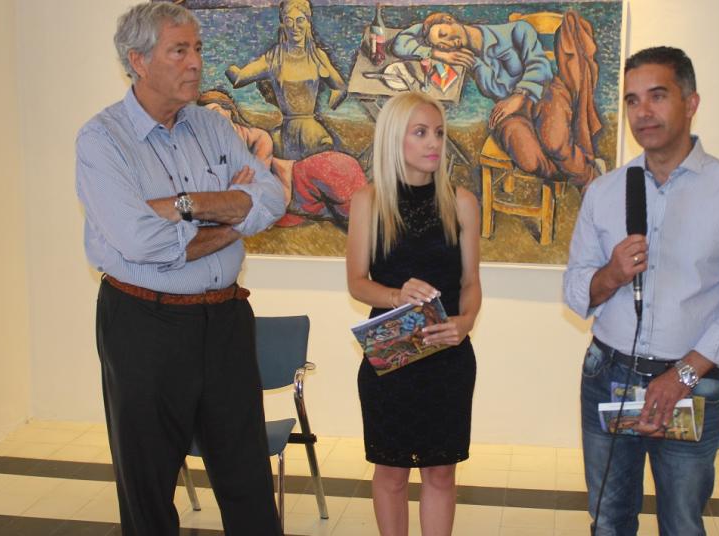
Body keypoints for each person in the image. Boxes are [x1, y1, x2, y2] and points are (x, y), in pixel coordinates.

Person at [75, 4, 286, 535]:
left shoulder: (211, 126)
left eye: (197, 49)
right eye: (180, 50)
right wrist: (232, 214)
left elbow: (271, 198)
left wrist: (182, 206)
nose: (195, 62)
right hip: (146, 324)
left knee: (249, 482)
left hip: (226, 321)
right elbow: (140, 242)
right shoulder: (102, 140)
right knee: (148, 486)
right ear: (138, 61)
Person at [562, 47, 719, 535]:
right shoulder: (605, 191)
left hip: (693, 384)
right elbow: (575, 287)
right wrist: (612, 274)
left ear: (691, 102)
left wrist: (682, 374)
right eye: (633, 100)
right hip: (608, 374)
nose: (643, 112)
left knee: (681, 523)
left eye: (657, 96)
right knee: (608, 521)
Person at [345, 91, 482, 536]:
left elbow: (471, 283)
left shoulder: (462, 202)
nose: (434, 143)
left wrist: (465, 323)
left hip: (448, 357)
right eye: (420, 132)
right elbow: (357, 283)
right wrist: (395, 295)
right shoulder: (368, 201)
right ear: (393, 138)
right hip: (391, 358)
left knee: (441, 473)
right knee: (391, 473)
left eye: (438, 133)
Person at [391, 10, 603, 187]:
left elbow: (540, 66)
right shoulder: (470, 60)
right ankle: (579, 168)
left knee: (555, 143)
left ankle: (589, 180)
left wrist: (519, 96)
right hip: (507, 113)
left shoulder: (517, 30)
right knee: (529, 160)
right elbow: (400, 43)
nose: (449, 43)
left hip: (544, 93)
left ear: (449, 19)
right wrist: (436, 54)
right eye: (443, 45)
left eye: (444, 34)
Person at [198, 89, 367, 229]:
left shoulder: (258, 137)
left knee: (361, 220)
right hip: (300, 203)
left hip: (307, 177)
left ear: (229, 110)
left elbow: (257, 182)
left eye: (216, 112)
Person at [225, 0, 345, 160]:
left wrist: (333, 102)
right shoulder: (274, 57)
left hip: (312, 131)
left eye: (300, 20)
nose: (295, 27)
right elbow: (239, 79)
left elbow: (340, 87)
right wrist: (227, 65)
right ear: (283, 24)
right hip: (285, 133)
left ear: (308, 23)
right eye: (289, 20)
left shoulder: (317, 56)